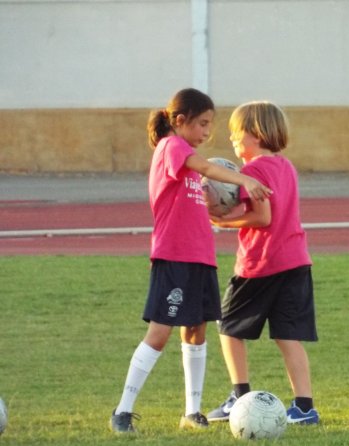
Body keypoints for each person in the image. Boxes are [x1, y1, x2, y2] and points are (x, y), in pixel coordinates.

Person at [110, 88, 272, 434]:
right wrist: (243, 177)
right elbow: (204, 166)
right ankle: (122, 411)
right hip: (174, 256)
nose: (206, 132)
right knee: (159, 332)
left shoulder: (185, 153)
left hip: (201, 257)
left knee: (197, 330)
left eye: (209, 124)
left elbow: (202, 183)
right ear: (179, 121)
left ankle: (192, 411)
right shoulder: (172, 146)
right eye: (202, 124)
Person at [206, 101, 320, 425]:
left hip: (261, 264)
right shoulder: (286, 166)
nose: (232, 140)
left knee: (227, 325)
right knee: (287, 336)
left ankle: (238, 395)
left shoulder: (252, 171)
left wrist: (221, 220)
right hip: (296, 261)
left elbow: (262, 216)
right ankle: (304, 407)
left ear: (255, 134)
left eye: (236, 133)